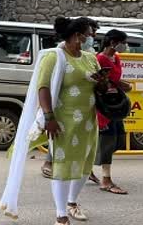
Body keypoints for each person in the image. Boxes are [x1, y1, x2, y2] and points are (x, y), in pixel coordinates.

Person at [37, 17, 101, 224]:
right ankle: (61, 215)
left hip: (89, 122)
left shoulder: (90, 58)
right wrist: (49, 117)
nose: (92, 38)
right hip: (63, 122)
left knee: (84, 163)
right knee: (63, 165)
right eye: (90, 34)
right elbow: (43, 87)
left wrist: (105, 83)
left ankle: (72, 203)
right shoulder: (54, 57)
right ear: (77, 36)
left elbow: (95, 86)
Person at [93, 29, 133, 195]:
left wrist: (123, 84)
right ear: (113, 42)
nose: (125, 45)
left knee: (118, 140)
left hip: (116, 104)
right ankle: (106, 179)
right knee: (108, 141)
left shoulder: (116, 58)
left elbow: (115, 79)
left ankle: (87, 167)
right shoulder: (99, 58)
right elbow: (98, 82)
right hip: (104, 105)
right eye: (123, 42)